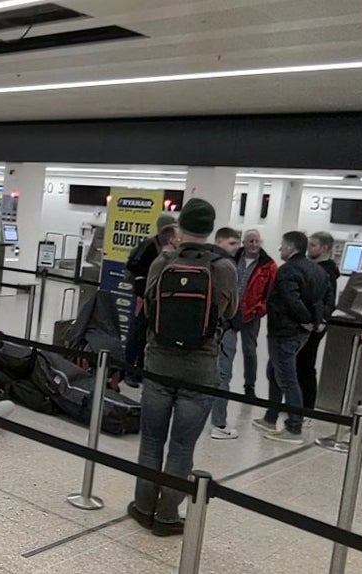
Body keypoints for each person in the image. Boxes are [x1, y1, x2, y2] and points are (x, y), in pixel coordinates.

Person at [127, 198, 237, 537]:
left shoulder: (163, 261)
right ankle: (167, 517)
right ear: (210, 227)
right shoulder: (224, 267)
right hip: (200, 367)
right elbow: (230, 313)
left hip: (159, 362)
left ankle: (143, 506)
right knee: (181, 446)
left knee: (151, 441)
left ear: (181, 224)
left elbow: (148, 306)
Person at [253, 231, 331, 444]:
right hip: (301, 333)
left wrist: (306, 319)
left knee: (287, 378)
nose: (280, 249)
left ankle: (294, 426)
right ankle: (271, 416)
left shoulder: (287, 271)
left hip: (285, 331)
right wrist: (316, 321)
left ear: (291, 247)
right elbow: (326, 299)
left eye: (282, 245)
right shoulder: (317, 270)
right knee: (274, 371)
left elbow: (291, 299)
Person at [123, 212, 178, 383]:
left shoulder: (166, 248)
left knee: (148, 336)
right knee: (138, 334)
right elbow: (134, 267)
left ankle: (140, 369)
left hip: (157, 299)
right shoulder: (150, 245)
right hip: (145, 296)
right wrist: (142, 289)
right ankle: (129, 370)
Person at [297, 231, 340, 412]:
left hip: (314, 324)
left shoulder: (325, 272)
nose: (309, 248)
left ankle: (306, 407)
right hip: (308, 322)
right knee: (300, 363)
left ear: (324, 248)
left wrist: (317, 321)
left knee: (306, 364)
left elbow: (325, 300)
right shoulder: (314, 268)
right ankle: (298, 404)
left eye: (313, 245)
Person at [230, 229, 277, 399]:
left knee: (249, 351)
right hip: (230, 312)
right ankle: (221, 381)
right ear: (244, 242)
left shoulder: (268, 265)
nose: (254, 245)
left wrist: (260, 309)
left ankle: (249, 386)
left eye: (257, 241)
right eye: (250, 241)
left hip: (251, 315)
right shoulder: (232, 259)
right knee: (226, 348)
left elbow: (272, 293)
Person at [208, 227, 243, 440]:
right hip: (223, 327)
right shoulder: (226, 266)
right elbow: (232, 304)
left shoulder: (201, 259)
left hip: (203, 328)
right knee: (222, 375)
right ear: (219, 241)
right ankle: (219, 423)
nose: (236, 247)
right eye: (232, 243)